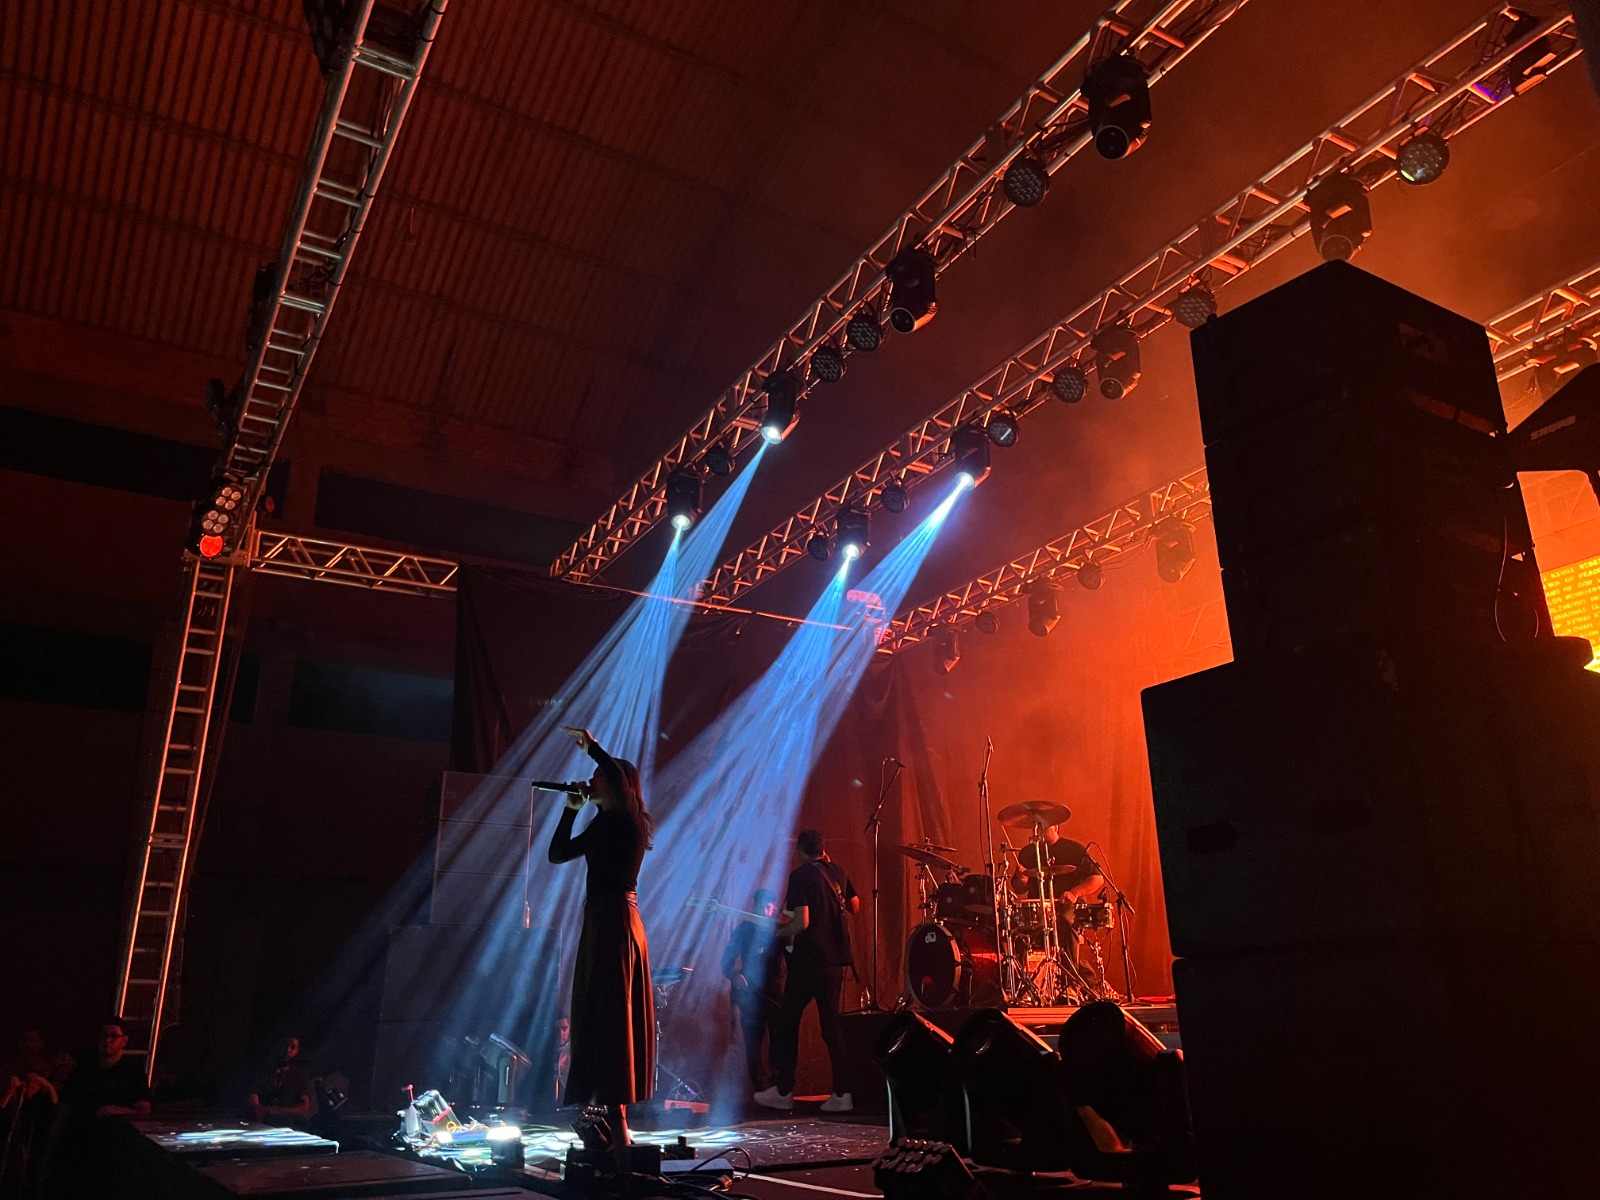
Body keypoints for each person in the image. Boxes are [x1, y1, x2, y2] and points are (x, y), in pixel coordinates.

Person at [547, 726, 655, 1152]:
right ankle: (609, 1122)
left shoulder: (628, 820)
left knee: (613, 1018)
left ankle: (619, 1126)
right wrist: (570, 810)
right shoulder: (604, 824)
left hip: (617, 920)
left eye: (597, 778)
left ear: (615, 783)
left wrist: (593, 748)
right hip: (600, 921)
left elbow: (614, 776)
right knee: (597, 1016)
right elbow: (558, 854)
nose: (591, 782)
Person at [756, 830, 859, 1114]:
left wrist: (777, 932)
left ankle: (784, 1090)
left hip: (808, 961)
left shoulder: (800, 876)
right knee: (831, 1027)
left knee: (787, 1022)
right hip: (835, 962)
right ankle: (843, 1093)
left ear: (800, 851)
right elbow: (855, 906)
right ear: (822, 850)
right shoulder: (838, 871)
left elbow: (801, 923)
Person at [720, 889, 783, 1092]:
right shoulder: (743, 930)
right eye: (760, 906)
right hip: (751, 994)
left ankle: (778, 1086)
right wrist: (734, 975)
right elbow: (725, 961)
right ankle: (759, 1087)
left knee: (779, 1039)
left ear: (773, 909)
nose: (763, 911)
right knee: (753, 1041)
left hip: (774, 993)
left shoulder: (779, 931)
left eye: (767, 907)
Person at [248, 1036, 313, 1126]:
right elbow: (254, 1093)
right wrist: (258, 1111)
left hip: (288, 1125)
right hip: (264, 1123)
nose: (288, 1050)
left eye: (292, 1047)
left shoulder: (300, 1074)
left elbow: (304, 1107)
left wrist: (277, 1111)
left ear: (297, 1051)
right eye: (285, 1045)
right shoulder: (267, 1070)